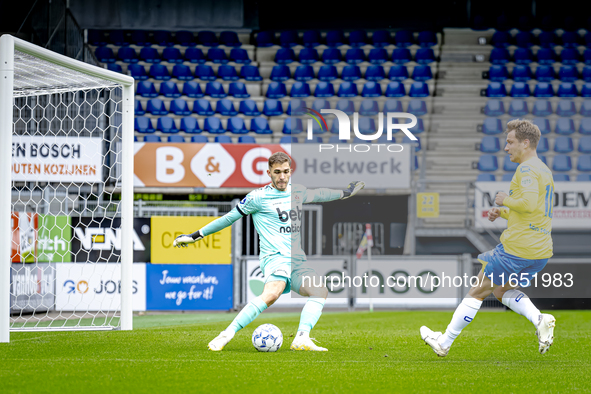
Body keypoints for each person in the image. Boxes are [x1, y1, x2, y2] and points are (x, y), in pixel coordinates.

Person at [173, 152, 365, 351]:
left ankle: (301, 338)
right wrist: (195, 236)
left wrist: (346, 192)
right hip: (275, 258)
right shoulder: (258, 197)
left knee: (319, 290)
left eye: (285, 172)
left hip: (297, 260)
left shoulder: (297, 192)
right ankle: (226, 334)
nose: (282, 176)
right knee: (273, 293)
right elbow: (228, 218)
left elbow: (321, 194)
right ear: (269, 173)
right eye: (277, 172)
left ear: (291, 171)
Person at [421, 119, 556, 356]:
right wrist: (503, 212)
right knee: (501, 292)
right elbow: (533, 211)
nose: (506, 147)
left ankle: (444, 343)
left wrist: (505, 200)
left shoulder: (526, 169)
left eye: (510, 142)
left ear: (525, 143)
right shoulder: (544, 169)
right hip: (540, 250)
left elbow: (528, 204)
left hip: (517, 248)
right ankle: (539, 319)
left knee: (477, 291)